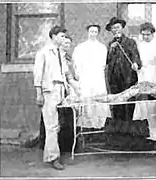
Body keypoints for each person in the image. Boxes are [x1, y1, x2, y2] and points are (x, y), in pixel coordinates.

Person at [33, 25, 80, 170]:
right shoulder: (43, 53)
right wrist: (39, 94)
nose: (64, 39)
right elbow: (38, 74)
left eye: (65, 37)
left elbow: (66, 73)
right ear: (53, 36)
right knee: (51, 126)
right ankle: (53, 158)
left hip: (61, 90)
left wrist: (76, 86)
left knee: (58, 125)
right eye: (61, 36)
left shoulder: (60, 53)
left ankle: (53, 153)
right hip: (49, 91)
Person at [132, 22, 156, 141]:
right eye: (143, 34)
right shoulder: (140, 45)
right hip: (143, 77)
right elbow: (137, 61)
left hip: (154, 77)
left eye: (148, 34)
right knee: (146, 107)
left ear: (153, 34)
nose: (145, 37)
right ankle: (151, 133)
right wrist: (136, 66)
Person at [72, 24, 110, 128]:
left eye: (95, 32)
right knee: (87, 98)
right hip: (86, 77)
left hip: (97, 77)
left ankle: (100, 124)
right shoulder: (80, 47)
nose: (93, 34)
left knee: (99, 98)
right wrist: (79, 75)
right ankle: (87, 124)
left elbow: (103, 64)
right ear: (87, 32)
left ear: (98, 33)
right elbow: (76, 64)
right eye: (91, 31)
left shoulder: (102, 47)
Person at [105, 17, 142, 122]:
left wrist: (135, 64)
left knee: (129, 102)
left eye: (118, 27)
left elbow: (135, 56)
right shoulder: (110, 44)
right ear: (111, 31)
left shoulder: (130, 42)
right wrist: (111, 49)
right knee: (116, 102)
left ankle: (128, 126)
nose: (116, 30)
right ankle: (118, 127)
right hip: (114, 79)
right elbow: (106, 61)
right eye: (113, 28)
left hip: (128, 77)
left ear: (122, 28)